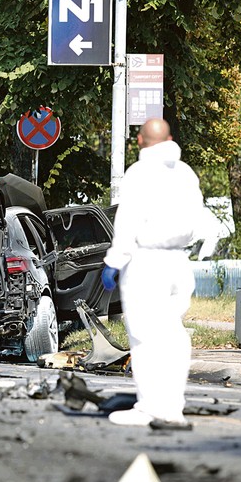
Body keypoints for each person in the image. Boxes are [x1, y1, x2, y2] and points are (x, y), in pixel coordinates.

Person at [101, 118, 207, 428]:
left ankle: (150, 407)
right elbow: (198, 219)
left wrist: (115, 261)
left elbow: (128, 221)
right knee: (173, 335)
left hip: (146, 262)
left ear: (139, 141)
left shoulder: (139, 173)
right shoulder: (186, 174)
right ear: (170, 138)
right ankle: (173, 406)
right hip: (179, 262)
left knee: (145, 337)